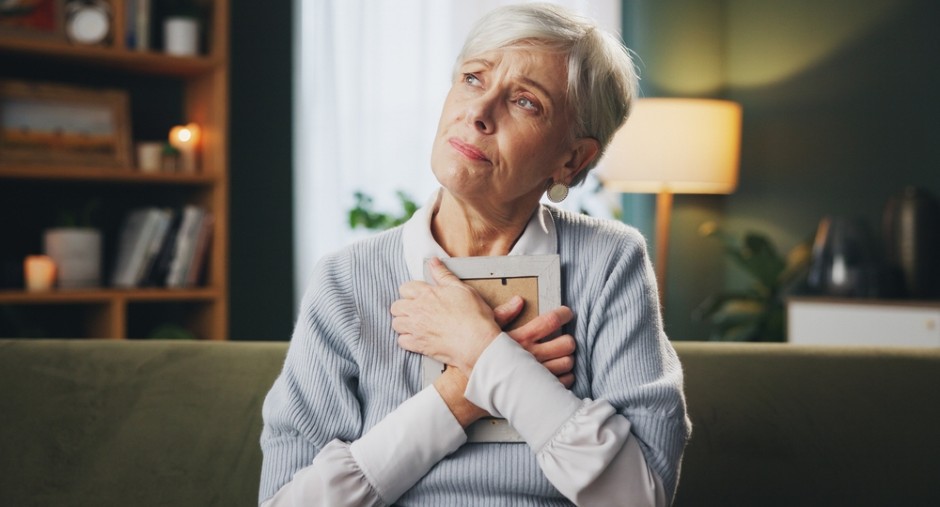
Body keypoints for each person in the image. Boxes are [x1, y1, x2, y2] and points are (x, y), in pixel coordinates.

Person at [259, 3, 691, 506]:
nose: (479, 113)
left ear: (571, 160)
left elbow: (640, 496)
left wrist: (483, 349)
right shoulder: (346, 279)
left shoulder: (609, 263)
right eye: (472, 78)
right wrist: (462, 393)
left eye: (525, 102)